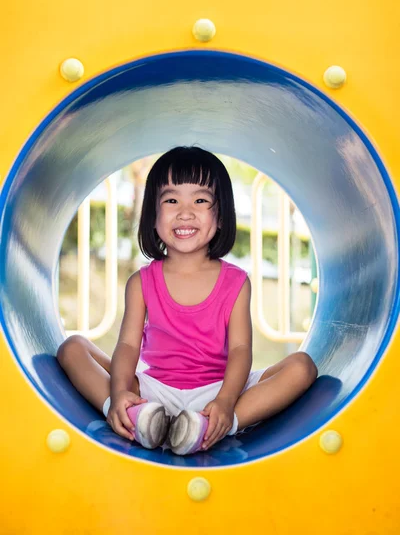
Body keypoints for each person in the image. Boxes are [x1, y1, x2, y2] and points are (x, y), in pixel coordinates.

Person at [57, 146, 317, 455]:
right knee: (72, 347)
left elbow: (240, 350)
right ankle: (132, 416)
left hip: (217, 390)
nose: (185, 211)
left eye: (201, 200)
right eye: (171, 200)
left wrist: (224, 401)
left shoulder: (235, 282)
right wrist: (120, 392)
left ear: (221, 216)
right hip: (154, 392)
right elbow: (127, 346)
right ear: (153, 216)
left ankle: (216, 425)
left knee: (302, 367)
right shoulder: (141, 282)